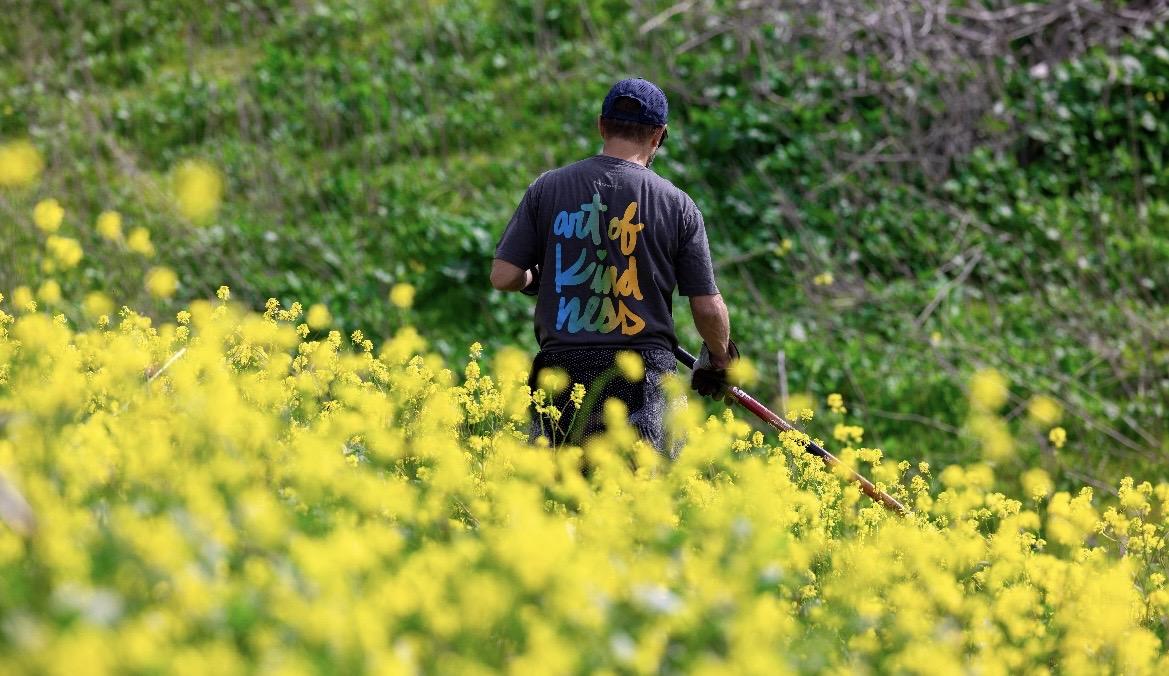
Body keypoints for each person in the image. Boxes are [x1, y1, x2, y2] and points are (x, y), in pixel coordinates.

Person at [490, 77, 737, 454]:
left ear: (602, 126)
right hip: (643, 378)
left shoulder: (547, 188)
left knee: (559, 497)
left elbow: (504, 276)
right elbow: (706, 306)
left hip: (561, 371)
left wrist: (536, 276)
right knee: (641, 497)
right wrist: (719, 358)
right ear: (658, 135)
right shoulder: (677, 204)